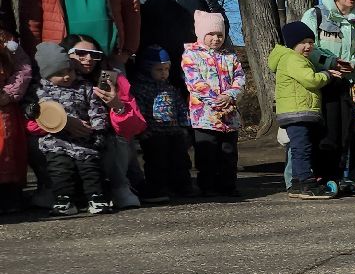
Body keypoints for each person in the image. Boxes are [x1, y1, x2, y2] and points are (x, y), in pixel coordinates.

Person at [301, 0, 355, 190]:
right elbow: (306, 47)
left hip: (348, 83)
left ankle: (349, 173)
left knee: (350, 131)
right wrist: (331, 63)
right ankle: (324, 173)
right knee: (327, 132)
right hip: (322, 82)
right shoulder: (316, 14)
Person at [64, 34, 146, 208]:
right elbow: (33, 123)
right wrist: (63, 122)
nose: (88, 59)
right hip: (65, 140)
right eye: (81, 53)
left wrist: (117, 106)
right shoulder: (52, 79)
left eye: (94, 55)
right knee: (39, 141)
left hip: (101, 140)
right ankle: (55, 190)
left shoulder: (110, 78)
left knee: (120, 138)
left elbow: (135, 126)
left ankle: (120, 187)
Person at [30, 43, 112, 216]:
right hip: (55, 142)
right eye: (59, 74)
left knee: (90, 169)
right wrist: (31, 110)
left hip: (85, 139)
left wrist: (99, 131)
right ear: (46, 74)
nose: (67, 77)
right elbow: (39, 114)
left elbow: (96, 109)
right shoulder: (40, 91)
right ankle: (63, 199)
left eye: (70, 71)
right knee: (60, 171)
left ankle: (96, 197)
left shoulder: (85, 87)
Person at [269, 22, 343, 199]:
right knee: (302, 148)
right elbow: (310, 80)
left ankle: (296, 183)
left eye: (311, 42)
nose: (308, 46)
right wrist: (328, 74)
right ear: (293, 43)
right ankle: (307, 184)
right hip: (297, 112)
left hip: (298, 111)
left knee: (299, 147)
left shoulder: (295, 59)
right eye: (303, 42)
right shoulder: (293, 59)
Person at [181, 12, 244, 196]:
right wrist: (216, 101)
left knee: (228, 152)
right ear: (201, 34)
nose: (216, 39)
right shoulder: (191, 55)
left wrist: (230, 96)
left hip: (229, 113)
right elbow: (195, 83)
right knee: (207, 152)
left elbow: (239, 79)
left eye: (220, 35)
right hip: (204, 115)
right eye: (211, 35)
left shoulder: (230, 56)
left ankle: (228, 185)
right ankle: (207, 185)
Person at [130, 45, 193, 202]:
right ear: (147, 69)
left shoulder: (170, 88)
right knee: (157, 162)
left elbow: (180, 106)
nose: (164, 73)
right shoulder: (141, 89)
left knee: (180, 159)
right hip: (154, 133)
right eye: (159, 69)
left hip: (174, 131)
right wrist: (142, 130)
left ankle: (182, 186)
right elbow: (140, 110)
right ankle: (157, 188)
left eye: (166, 69)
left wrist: (185, 125)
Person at [0, 0, 31, 213]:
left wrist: (10, 93)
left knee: (8, 147)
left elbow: (23, 68)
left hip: (4, 105)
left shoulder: (8, 42)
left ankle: (10, 194)